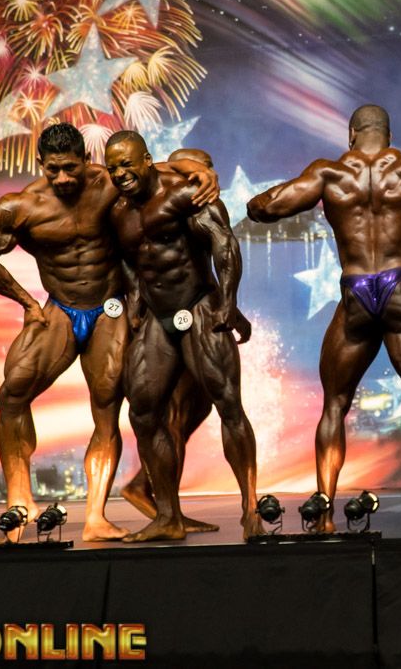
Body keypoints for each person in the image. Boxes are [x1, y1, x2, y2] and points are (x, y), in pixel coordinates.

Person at [0, 123, 215, 541]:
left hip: (110, 308)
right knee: (12, 393)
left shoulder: (109, 183)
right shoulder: (21, 206)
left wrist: (201, 171)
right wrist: (27, 303)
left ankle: (96, 516)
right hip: (60, 308)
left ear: (86, 160)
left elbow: (161, 167)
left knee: (106, 405)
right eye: (53, 170)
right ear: (41, 164)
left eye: (71, 168)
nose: (63, 178)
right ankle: (19, 497)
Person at [247, 104, 401, 534]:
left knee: (335, 405)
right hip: (399, 287)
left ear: (351, 134)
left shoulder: (328, 174)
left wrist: (259, 197)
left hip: (354, 291)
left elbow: (264, 208)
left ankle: (324, 513)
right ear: (388, 135)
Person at [106, 131, 260, 541]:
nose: (120, 173)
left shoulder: (184, 194)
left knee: (228, 404)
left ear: (147, 160)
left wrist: (228, 301)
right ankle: (168, 517)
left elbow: (223, 244)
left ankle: (250, 509)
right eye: (113, 168)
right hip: (158, 317)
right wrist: (134, 299)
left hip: (198, 305)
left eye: (127, 164)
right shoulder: (118, 211)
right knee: (142, 411)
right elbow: (129, 260)